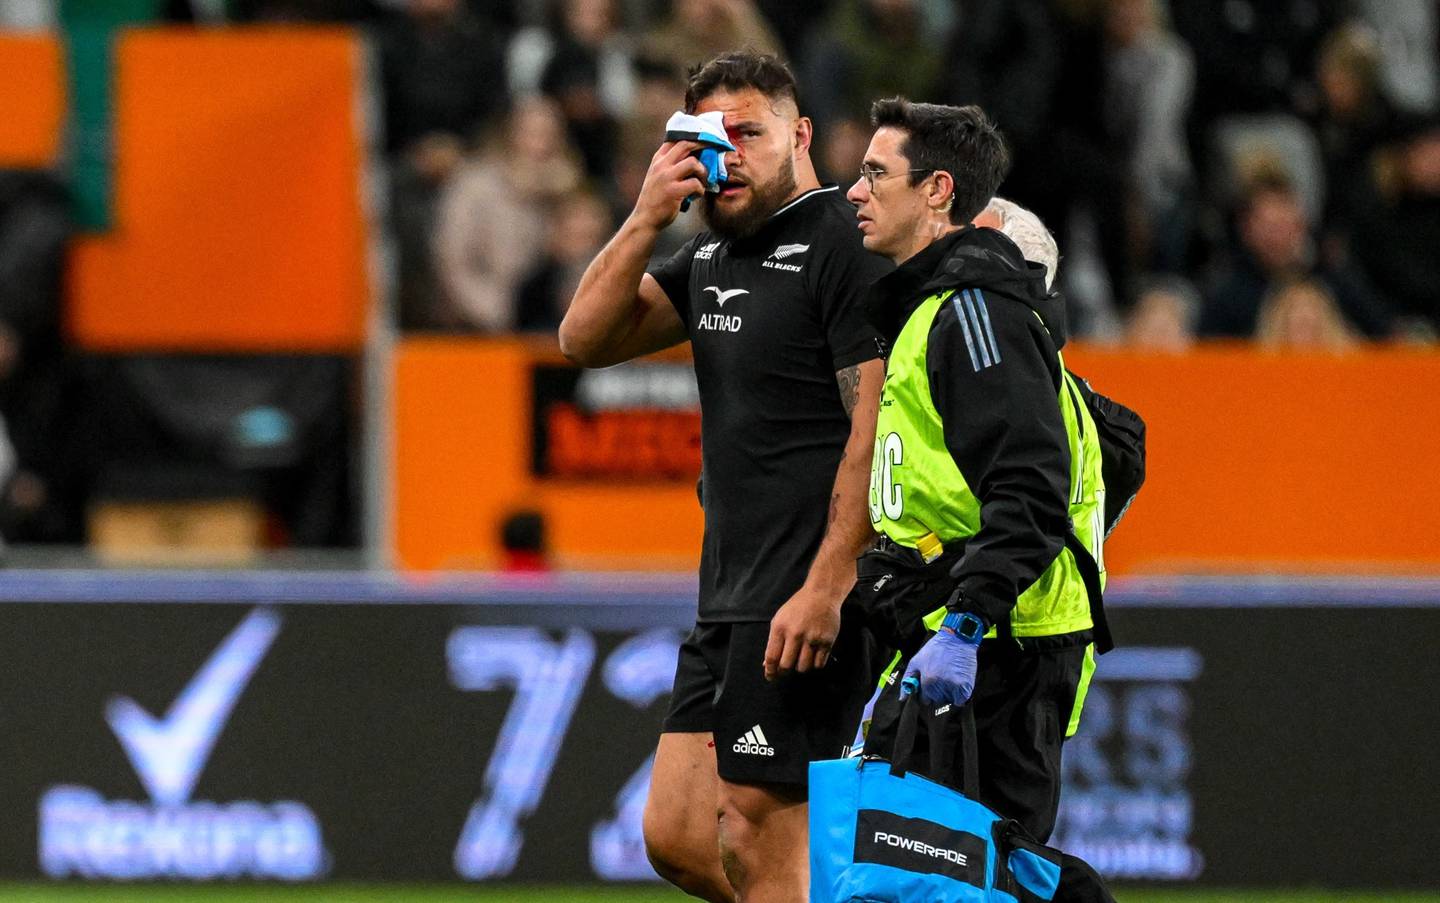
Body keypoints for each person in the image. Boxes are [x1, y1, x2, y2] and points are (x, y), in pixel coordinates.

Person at [558, 52, 892, 903]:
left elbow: (874, 430)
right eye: (710, 138)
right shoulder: (712, 252)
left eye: (749, 132)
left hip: (802, 595)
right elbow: (582, 338)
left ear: (800, 134)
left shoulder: (842, 242)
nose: (729, 155)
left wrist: (829, 584)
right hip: (730, 595)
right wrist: (646, 214)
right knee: (678, 833)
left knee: (758, 834)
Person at [846, 98, 1109, 844]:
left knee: (976, 874)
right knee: (932, 873)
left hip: (996, 645)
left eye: (876, 173)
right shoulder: (935, 312)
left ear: (937, 191)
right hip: (960, 633)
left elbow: (1028, 486)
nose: (855, 191)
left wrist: (967, 622)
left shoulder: (973, 314)